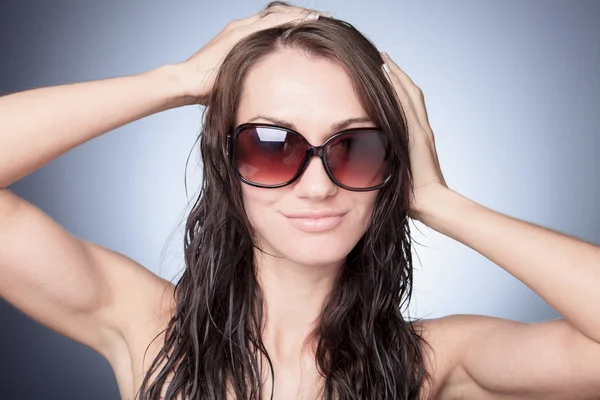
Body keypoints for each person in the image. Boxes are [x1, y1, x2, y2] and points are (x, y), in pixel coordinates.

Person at [1, 2, 599, 399]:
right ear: (226, 164)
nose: (318, 185)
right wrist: (176, 81)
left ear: (393, 165)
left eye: (356, 147)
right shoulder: (148, 328)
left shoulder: (432, 362)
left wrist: (440, 202)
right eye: (271, 146)